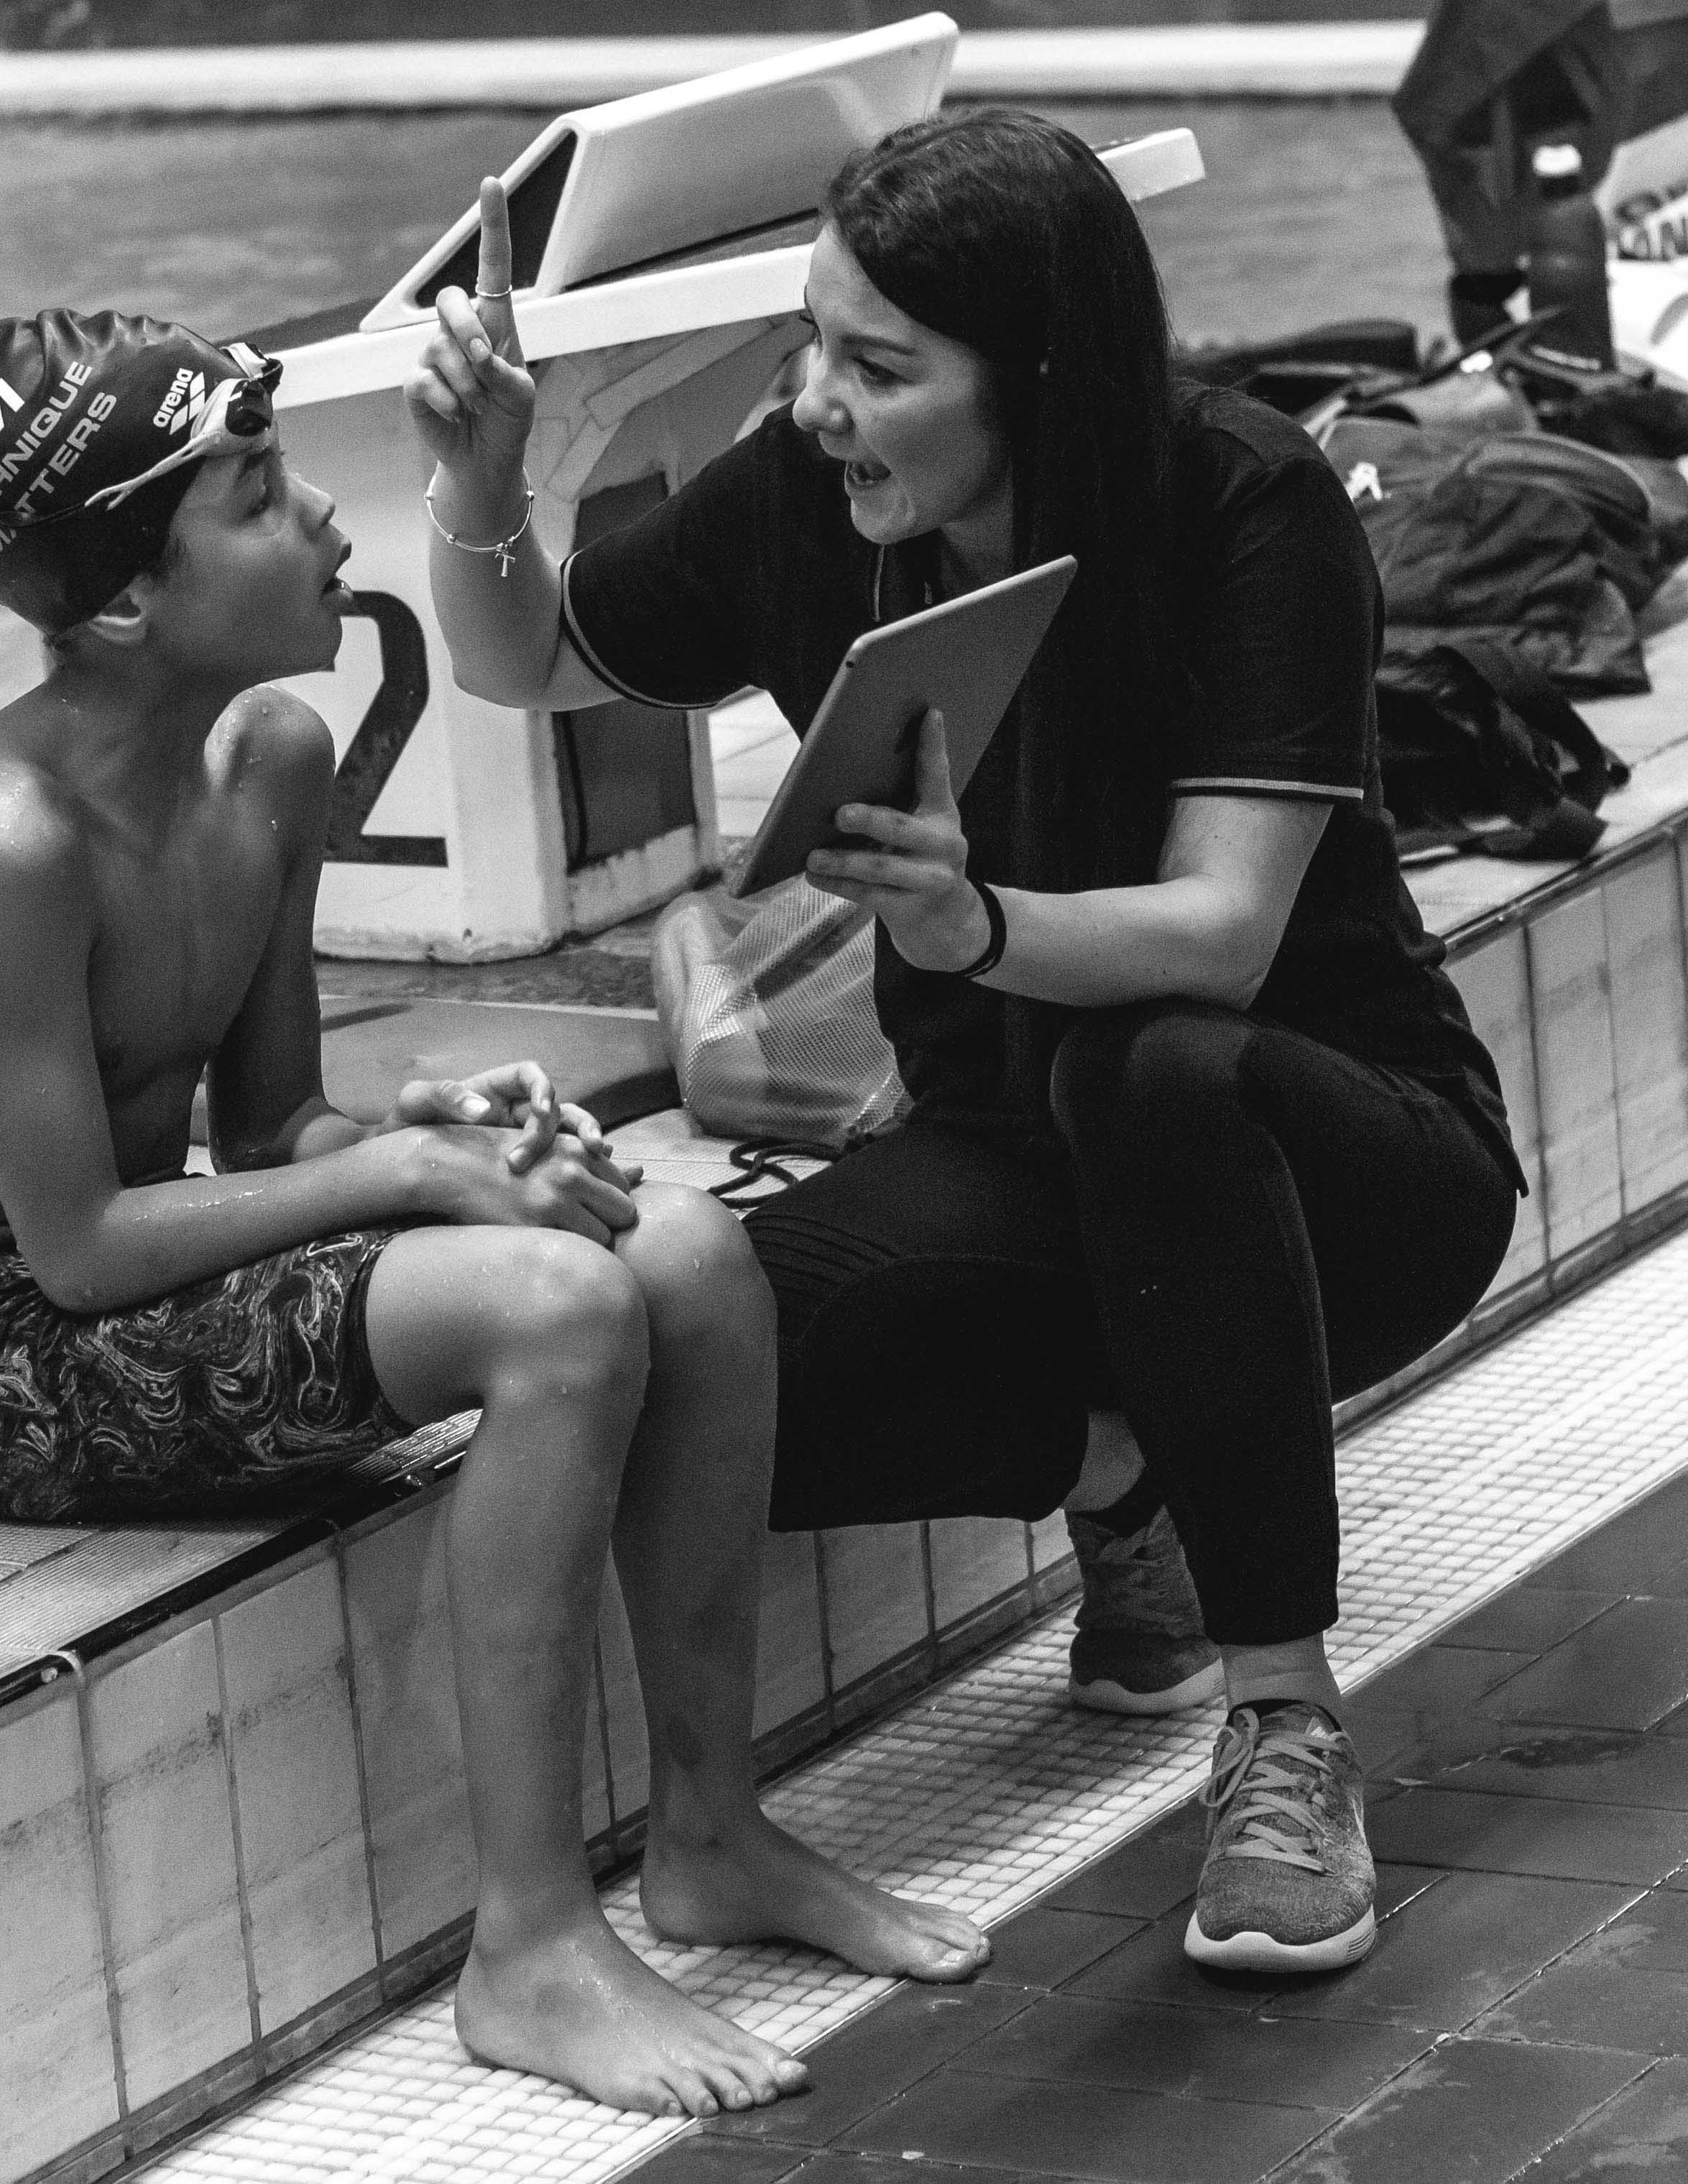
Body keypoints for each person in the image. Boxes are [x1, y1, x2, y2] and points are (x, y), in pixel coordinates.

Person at [0, 310, 985, 2118]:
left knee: (687, 1248)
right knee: (560, 1310)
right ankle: (529, 1943)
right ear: (126, 599)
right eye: (256, 499)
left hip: (127, 1278)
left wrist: (432, 1128)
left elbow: (271, 1122)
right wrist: (400, 1178)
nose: (320, 521)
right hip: (1, 1358)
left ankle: (713, 1832)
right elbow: (75, 1251)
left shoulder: (273, 757)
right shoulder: (0, 836)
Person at [407, 115, 1526, 1973]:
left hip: (1337, 1164)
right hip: (1021, 1172)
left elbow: (1224, 934)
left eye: (879, 367)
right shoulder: (808, 498)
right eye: (815, 342)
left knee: (1145, 1065)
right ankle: (1129, 1475)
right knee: (687, 1365)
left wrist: (970, 928)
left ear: (1039, 380)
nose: (817, 403)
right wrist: (479, 481)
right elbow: (525, 658)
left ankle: (1285, 1721)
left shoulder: (1242, 504)